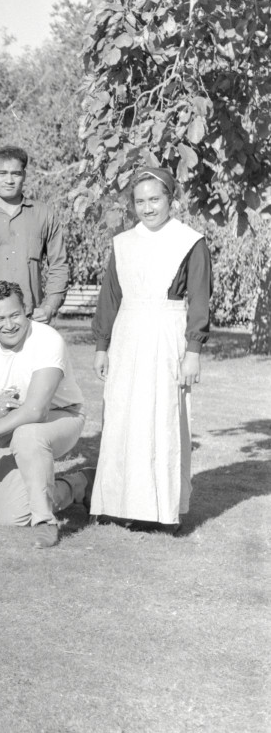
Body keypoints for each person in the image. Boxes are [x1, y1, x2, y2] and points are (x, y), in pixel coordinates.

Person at [90, 167, 212, 530]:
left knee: (161, 417)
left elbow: (200, 299)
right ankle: (118, 503)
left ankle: (160, 510)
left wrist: (193, 350)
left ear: (170, 200)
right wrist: (101, 345)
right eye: (140, 201)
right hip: (127, 336)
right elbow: (110, 296)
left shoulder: (190, 240)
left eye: (154, 199)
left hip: (166, 334)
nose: (147, 207)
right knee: (123, 416)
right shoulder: (123, 242)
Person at [0, 145, 70, 501]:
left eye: (16, 173)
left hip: (32, 320)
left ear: (25, 175)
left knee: (31, 394)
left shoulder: (44, 215)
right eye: (2, 173)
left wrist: (50, 305)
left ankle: (29, 469)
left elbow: (59, 265)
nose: (9, 179)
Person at [0, 281, 93, 548]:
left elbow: (37, 409)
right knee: (13, 516)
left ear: (26, 310)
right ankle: (79, 484)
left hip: (62, 415)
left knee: (27, 434)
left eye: (15, 315)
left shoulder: (47, 339)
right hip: (13, 421)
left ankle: (45, 521)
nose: (9, 325)